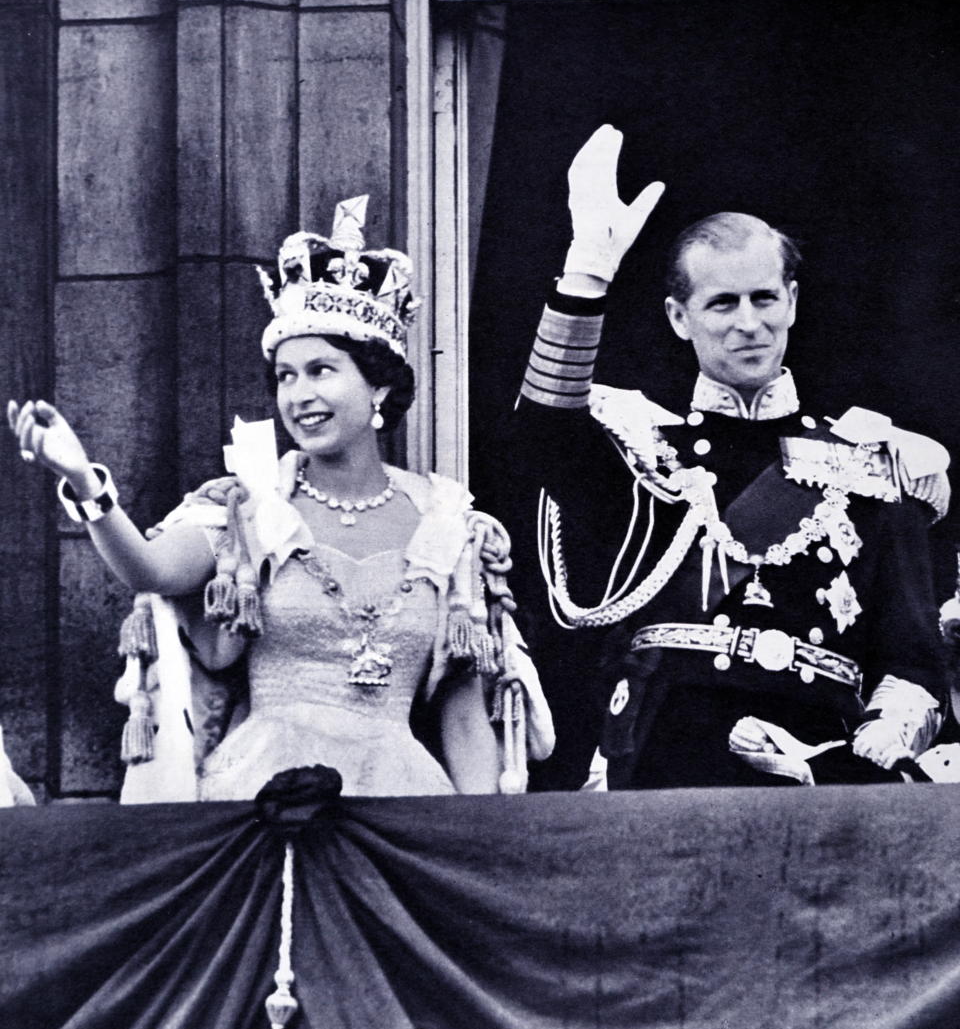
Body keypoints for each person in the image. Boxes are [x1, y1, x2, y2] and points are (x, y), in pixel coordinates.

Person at [9, 197, 552, 801]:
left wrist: (479, 845)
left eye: (322, 370)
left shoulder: (446, 523)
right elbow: (150, 567)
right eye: (286, 376)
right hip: (261, 796)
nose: (299, 394)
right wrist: (87, 483)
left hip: (400, 803)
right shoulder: (253, 506)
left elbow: (463, 717)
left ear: (379, 385)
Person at [515, 125, 948, 788]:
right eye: (721, 303)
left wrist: (855, 757)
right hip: (663, 756)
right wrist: (585, 272)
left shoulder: (872, 466)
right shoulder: (641, 450)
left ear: (793, 303)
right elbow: (540, 442)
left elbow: (913, 665)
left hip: (819, 768)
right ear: (678, 317)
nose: (748, 323)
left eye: (764, 298)